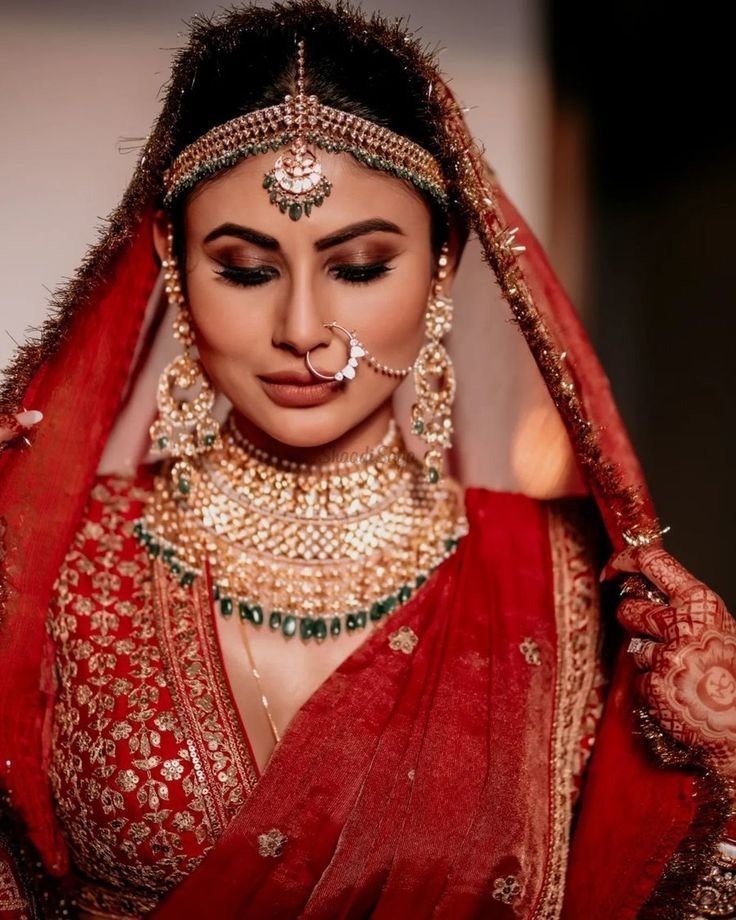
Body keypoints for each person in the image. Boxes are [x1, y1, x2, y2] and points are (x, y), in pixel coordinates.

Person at [0, 3, 733, 918]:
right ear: (173, 264)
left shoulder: (566, 572)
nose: (303, 330)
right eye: (244, 269)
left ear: (442, 265)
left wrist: (719, 766)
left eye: (357, 268)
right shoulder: (54, 553)